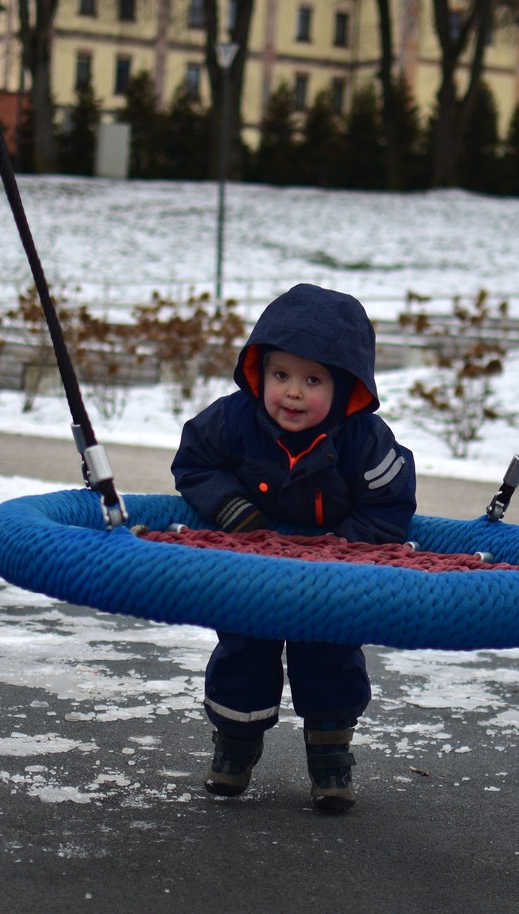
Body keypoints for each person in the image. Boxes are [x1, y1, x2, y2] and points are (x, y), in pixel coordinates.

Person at [171, 283, 417, 812]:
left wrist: (343, 550)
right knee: (243, 654)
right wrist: (236, 515)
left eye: (313, 379)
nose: (293, 393)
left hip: (331, 576)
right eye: (280, 375)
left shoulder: (366, 442)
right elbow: (194, 464)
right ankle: (234, 748)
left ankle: (331, 761)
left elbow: (389, 505)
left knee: (329, 659)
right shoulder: (233, 420)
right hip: (251, 568)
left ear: (346, 386)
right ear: (260, 372)